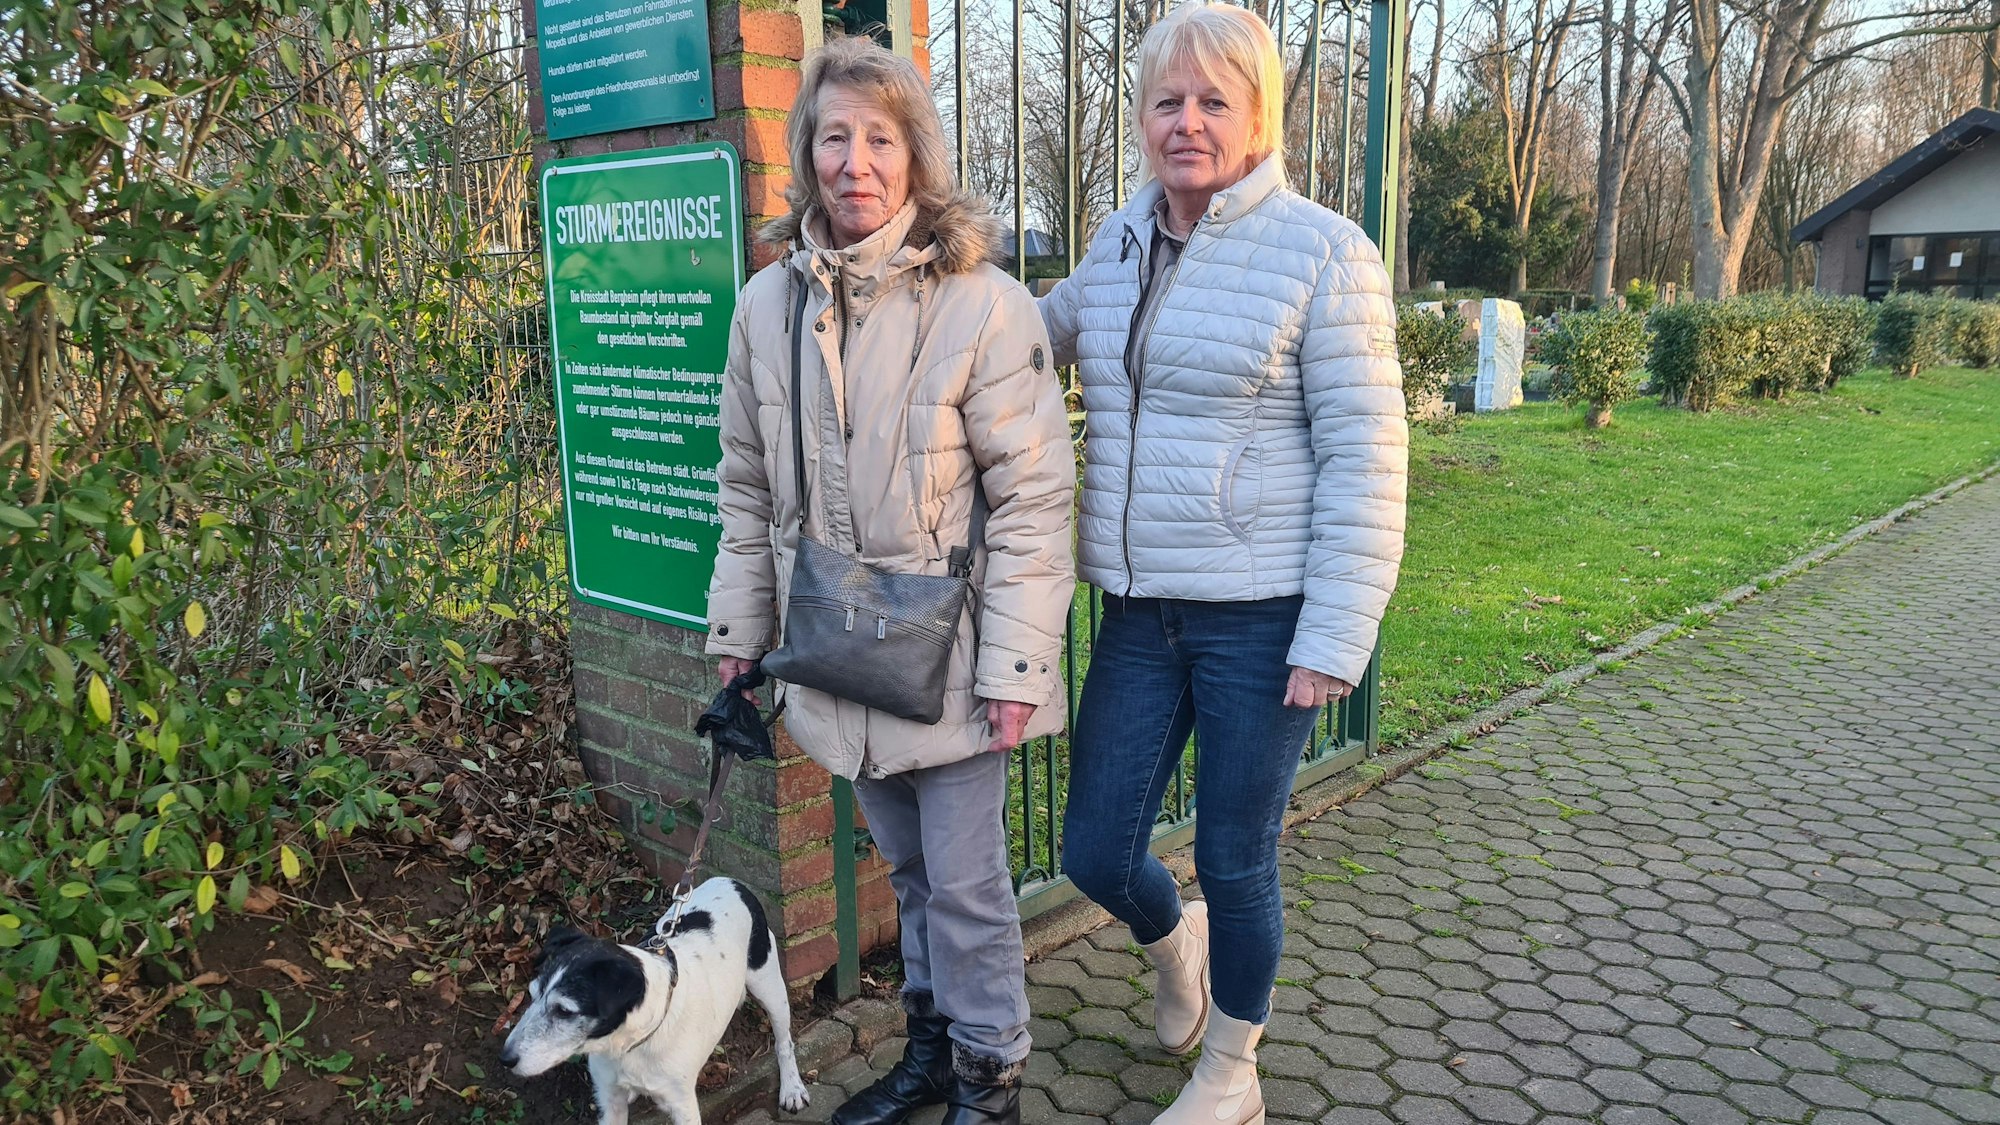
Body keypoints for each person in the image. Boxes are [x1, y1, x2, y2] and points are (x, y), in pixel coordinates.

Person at [1039, 4, 1407, 1123]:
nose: (1185, 123)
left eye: (1212, 101)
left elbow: (1364, 453)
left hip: (1263, 617)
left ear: (1257, 118)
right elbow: (1024, 335)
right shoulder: (1117, 240)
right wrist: (914, 287)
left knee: (1235, 855)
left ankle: (1231, 1069)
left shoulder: (1323, 251)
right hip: (1142, 610)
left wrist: (1335, 632)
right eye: (1165, 101)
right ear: (1141, 116)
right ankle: (1172, 942)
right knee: (1096, 850)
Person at [705, 36, 1077, 1125]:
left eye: (878, 138)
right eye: (832, 137)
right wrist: (739, 630)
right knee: (907, 878)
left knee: (964, 889)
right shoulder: (764, 310)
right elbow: (742, 489)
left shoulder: (984, 305)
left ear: (914, 155)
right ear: (806, 155)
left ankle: (989, 1078)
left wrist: (1015, 664)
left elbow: (1032, 502)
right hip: (837, 654)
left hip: (956, 659)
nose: (853, 162)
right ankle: (927, 1049)